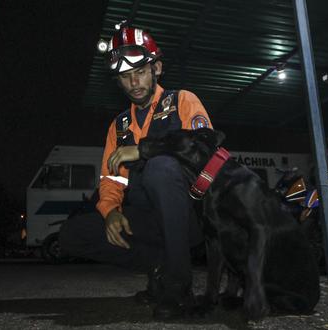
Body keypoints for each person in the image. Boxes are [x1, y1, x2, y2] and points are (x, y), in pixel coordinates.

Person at [59, 23, 213, 320]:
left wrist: (145, 150)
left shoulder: (183, 100)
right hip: (147, 222)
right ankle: (159, 265)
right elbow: (111, 178)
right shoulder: (119, 126)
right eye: (126, 77)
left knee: (160, 167)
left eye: (140, 72)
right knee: (72, 234)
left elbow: (205, 149)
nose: (134, 82)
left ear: (157, 68)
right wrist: (110, 212)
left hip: (189, 216)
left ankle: (178, 287)